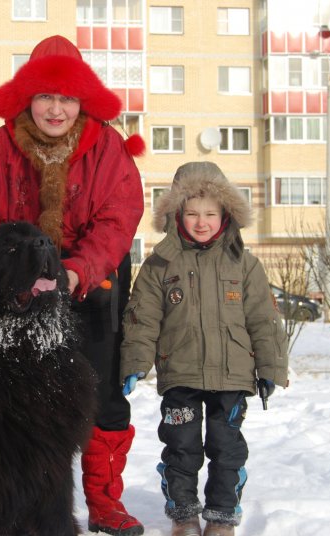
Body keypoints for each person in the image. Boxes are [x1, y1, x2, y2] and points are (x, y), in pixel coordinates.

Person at [0, 35, 145, 536]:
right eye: (45, 96)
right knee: (19, 396)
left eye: (66, 98)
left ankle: (104, 502)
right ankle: (18, 498)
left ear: (82, 101)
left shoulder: (107, 146)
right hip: (17, 291)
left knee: (100, 394)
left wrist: (79, 269)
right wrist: (8, 277)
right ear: (28, 99)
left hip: (91, 281)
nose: (55, 109)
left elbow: (118, 216)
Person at [119, 162, 289, 536]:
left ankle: (221, 517)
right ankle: (183, 515)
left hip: (232, 376)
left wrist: (270, 368)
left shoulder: (243, 264)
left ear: (225, 214)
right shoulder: (160, 264)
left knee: (226, 448)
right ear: (176, 214)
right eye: (192, 213)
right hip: (180, 374)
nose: (201, 222)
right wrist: (135, 362)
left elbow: (263, 319)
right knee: (182, 448)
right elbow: (142, 318)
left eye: (210, 214)